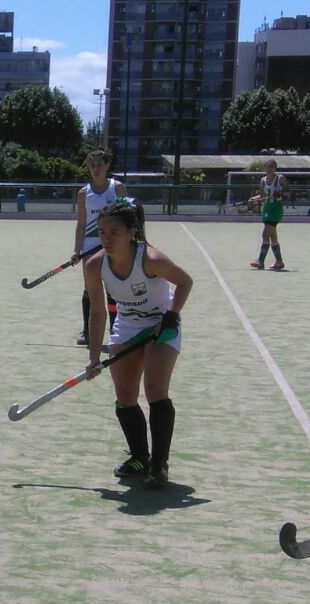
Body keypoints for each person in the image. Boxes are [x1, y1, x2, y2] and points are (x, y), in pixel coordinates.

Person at [83, 199, 194, 490]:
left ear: (131, 233)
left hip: (161, 323)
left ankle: (159, 464)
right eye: (102, 232)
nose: (106, 238)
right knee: (125, 395)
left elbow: (185, 282)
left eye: (114, 232)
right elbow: (98, 312)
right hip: (128, 324)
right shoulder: (94, 265)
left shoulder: (151, 259)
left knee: (155, 389)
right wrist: (94, 357)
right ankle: (139, 457)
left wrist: (171, 316)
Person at [71, 149, 124, 346]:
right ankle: (87, 331)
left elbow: (128, 217)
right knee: (90, 290)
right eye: (92, 165)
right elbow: (81, 224)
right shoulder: (83, 193)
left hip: (113, 247)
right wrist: (77, 250)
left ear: (107, 166)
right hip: (90, 247)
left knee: (112, 290)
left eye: (99, 165)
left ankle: (115, 330)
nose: (95, 169)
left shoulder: (117, 188)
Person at [248, 159, 288, 270]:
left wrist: (280, 194)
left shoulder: (280, 178)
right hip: (266, 209)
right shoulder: (263, 180)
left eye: (272, 167)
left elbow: (289, 192)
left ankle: (260, 261)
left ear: (275, 168)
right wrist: (253, 199)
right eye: (268, 167)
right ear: (265, 168)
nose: (270, 169)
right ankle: (279, 262)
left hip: (276, 209)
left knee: (265, 234)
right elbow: (262, 196)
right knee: (272, 236)